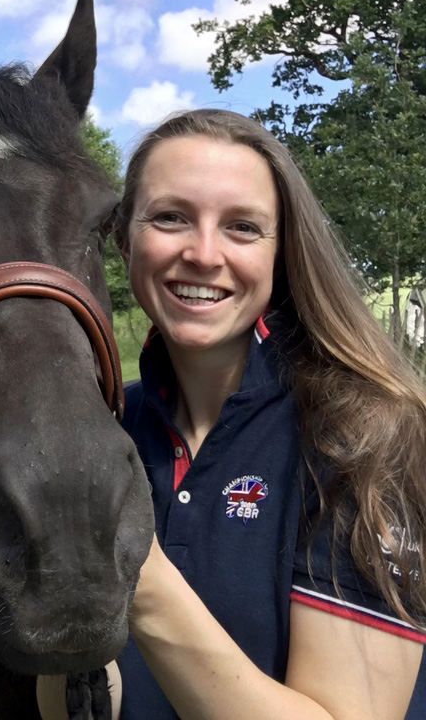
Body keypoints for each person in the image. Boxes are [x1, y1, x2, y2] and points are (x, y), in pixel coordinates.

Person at [111, 108, 426, 720]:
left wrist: (138, 577)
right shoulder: (108, 424)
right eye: (171, 217)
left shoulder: (366, 438)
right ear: (124, 237)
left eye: (242, 228)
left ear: (283, 254)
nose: (203, 253)